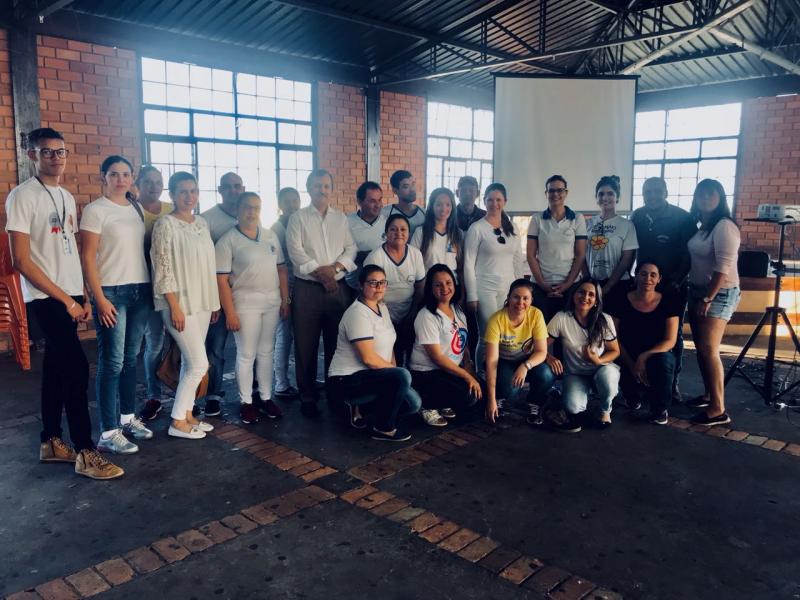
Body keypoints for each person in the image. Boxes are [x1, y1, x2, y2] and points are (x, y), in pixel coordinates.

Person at [6, 127, 123, 479]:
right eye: (47, 152)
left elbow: (69, 250)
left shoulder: (66, 196)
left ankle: (51, 441)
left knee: (57, 368)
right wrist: (65, 300)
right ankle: (86, 452)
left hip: (69, 295)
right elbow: (21, 260)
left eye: (60, 152)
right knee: (76, 368)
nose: (55, 158)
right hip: (45, 296)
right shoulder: (22, 196)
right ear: (32, 155)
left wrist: (81, 294)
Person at [80, 155, 152, 454]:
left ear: (132, 177)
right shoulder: (95, 210)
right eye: (114, 174)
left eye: (125, 174)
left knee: (130, 358)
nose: (120, 179)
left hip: (140, 289)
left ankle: (127, 419)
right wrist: (98, 298)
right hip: (111, 291)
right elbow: (87, 257)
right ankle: (109, 432)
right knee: (112, 362)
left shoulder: (136, 208)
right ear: (103, 177)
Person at [151, 172, 220, 439]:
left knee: (189, 363)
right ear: (172, 195)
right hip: (179, 304)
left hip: (202, 301)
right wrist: (174, 305)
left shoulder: (201, 223)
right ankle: (177, 421)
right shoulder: (165, 225)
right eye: (182, 191)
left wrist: (214, 302)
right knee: (199, 364)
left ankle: (189, 414)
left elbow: (208, 265)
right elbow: (163, 268)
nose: (189, 196)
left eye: (193, 191)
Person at [286, 169, 357, 418]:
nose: (322, 190)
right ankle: (307, 397)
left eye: (326, 186)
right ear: (309, 188)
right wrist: (322, 274)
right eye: (317, 186)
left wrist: (335, 269)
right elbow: (295, 252)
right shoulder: (298, 218)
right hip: (307, 290)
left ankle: (334, 394)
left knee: (336, 345)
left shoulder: (341, 218)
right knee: (305, 345)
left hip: (337, 290)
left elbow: (351, 247)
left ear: (331, 189)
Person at [216, 192, 290, 424]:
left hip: (271, 302)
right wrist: (230, 312)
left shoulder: (269, 236)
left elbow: (281, 269)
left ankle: (266, 398)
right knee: (247, 354)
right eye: (247, 207)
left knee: (266, 352)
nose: (252, 212)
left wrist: (285, 300)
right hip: (245, 304)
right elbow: (221, 281)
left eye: (256, 207)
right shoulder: (228, 240)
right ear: (237, 209)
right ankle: (246, 402)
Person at [328, 265, 421, 441]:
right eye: (373, 283)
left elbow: (390, 345)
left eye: (382, 282)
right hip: (347, 380)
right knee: (402, 376)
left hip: (371, 375)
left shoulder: (381, 307)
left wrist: (395, 375)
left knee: (413, 404)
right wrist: (397, 375)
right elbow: (368, 359)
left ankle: (362, 409)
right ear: (361, 285)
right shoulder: (358, 313)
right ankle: (383, 428)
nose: (379, 287)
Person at [631, 177, 697, 403]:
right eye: (647, 192)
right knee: (639, 330)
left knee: (673, 336)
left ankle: (672, 382)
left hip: (672, 288)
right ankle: (639, 378)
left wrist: (676, 281)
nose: (652, 195)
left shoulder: (682, 218)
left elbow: (690, 255)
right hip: (644, 285)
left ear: (666, 192)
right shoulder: (638, 216)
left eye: (657, 191)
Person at [686, 179, 741, 427]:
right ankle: (709, 395)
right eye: (701, 194)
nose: (706, 198)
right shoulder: (703, 227)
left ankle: (718, 409)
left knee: (709, 349)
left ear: (721, 198)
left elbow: (723, 268)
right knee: (701, 348)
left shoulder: (724, 226)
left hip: (718, 293)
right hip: (698, 291)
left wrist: (708, 297)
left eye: (711, 194)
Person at [606, 262, 680, 425]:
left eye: (653, 275)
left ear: (659, 279)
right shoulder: (621, 299)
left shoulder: (668, 301)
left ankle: (660, 409)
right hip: (625, 352)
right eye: (643, 274)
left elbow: (670, 340)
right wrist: (631, 364)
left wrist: (643, 357)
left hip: (656, 352)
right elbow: (613, 337)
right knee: (632, 396)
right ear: (636, 276)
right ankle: (632, 395)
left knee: (665, 361)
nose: (648, 278)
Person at [463, 183, 526, 371]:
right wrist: (472, 295)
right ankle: (481, 374)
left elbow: (517, 259)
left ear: (505, 201)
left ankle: (499, 375)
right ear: (484, 201)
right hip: (485, 289)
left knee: (505, 335)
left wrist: (522, 290)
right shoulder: (477, 228)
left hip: (508, 289)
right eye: (490, 200)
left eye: (498, 200)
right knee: (488, 335)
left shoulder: (512, 227)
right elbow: (468, 263)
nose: (494, 204)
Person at [409, 265, 481, 427]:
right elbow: (437, 358)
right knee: (469, 395)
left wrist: (468, 364)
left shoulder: (457, 309)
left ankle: (441, 401)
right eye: (438, 284)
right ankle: (427, 404)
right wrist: (466, 376)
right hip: (426, 372)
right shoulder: (427, 316)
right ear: (430, 288)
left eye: (448, 283)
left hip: (448, 370)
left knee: (479, 391)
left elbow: (462, 340)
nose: (445, 288)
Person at [546, 281, 620, 431]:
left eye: (591, 294)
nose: (585, 297)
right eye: (581, 292)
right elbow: (540, 346)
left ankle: (605, 410)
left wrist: (598, 360)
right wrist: (549, 357)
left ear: (596, 301)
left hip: (600, 369)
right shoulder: (562, 317)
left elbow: (615, 351)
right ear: (574, 294)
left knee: (608, 378)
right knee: (572, 407)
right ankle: (582, 395)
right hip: (575, 373)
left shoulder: (605, 319)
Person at [200, 172, 244, 417]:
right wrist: (212, 301)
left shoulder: (249, 216)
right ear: (219, 190)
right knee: (213, 349)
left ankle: (251, 393)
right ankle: (209, 396)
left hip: (244, 296)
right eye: (227, 187)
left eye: (237, 186)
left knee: (248, 348)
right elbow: (204, 264)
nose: (233, 191)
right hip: (217, 296)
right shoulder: (207, 220)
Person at [483, 279, 553, 425]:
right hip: (504, 361)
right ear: (508, 297)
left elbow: (541, 351)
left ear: (531, 300)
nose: (520, 302)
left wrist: (525, 366)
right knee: (510, 391)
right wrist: (491, 400)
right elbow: (491, 361)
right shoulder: (496, 319)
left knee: (546, 374)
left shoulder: (536, 315)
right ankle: (499, 398)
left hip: (527, 359)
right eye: (516, 297)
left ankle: (535, 402)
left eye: (525, 298)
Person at [135, 165, 172, 421]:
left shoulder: (172, 209)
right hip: (146, 286)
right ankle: (154, 396)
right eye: (148, 181)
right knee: (155, 342)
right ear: (138, 184)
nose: (154, 186)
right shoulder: (132, 211)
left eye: (158, 182)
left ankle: (185, 396)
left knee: (182, 343)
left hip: (175, 286)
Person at [364, 213, 426, 363]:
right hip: (382, 314)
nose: (399, 233)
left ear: (408, 233)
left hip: (409, 312)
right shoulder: (375, 257)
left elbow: (420, 288)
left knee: (411, 351)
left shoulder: (415, 254)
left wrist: (412, 315)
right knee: (388, 355)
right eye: (393, 229)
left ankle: (410, 374)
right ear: (386, 233)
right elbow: (369, 294)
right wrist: (384, 318)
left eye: (403, 229)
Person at [527, 175, 588, 321]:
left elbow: (580, 255)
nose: (555, 194)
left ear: (566, 193)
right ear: (546, 193)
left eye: (560, 190)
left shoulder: (577, 218)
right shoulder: (537, 219)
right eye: (551, 190)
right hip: (540, 286)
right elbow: (530, 255)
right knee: (542, 329)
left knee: (566, 329)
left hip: (570, 286)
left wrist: (567, 284)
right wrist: (543, 285)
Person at [584, 175, 638, 296]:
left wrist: (608, 287)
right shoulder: (587, 224)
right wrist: (588, 281)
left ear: (617, 197)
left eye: (610, 194)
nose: (605, 198)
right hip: (592, 284)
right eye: (601, 194)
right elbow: (581, 254)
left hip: (618, 284)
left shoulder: (627, 225)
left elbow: (626, 259)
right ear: (596, 197)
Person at [271, 187, 301, 399]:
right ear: (280, 205)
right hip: (284, 289)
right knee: (284, 336)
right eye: (287, 202)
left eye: (295, 201)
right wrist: (284, 297)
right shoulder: (276, 229)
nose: (291, 205)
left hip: (302, 286)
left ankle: (303, 379)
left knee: (302, 336)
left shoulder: (301, 222)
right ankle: (281, 383)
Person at [410, 187, 462, 280]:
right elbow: (412, 261)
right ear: (432, 206)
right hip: (428, 283)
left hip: (451, 284)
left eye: (448, 205)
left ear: (452, 207)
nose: (443, 209)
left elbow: (461, 265)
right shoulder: (421, 232)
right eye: (439, 204)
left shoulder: (458, 233)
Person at [346, 181, 387, 290]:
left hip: (382, 285)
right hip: (354, 285)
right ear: (360, 201)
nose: (378, 205)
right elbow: (339, 254)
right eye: (372, 201)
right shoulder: (346, 223)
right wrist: (361, 256)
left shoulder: (388, 223)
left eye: (380, 200)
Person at [381, 170, 425, 236]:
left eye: (413, 184)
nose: (412, 190)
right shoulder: (385, 213)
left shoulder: (424, 213)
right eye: (406, 187)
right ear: (395, 190)